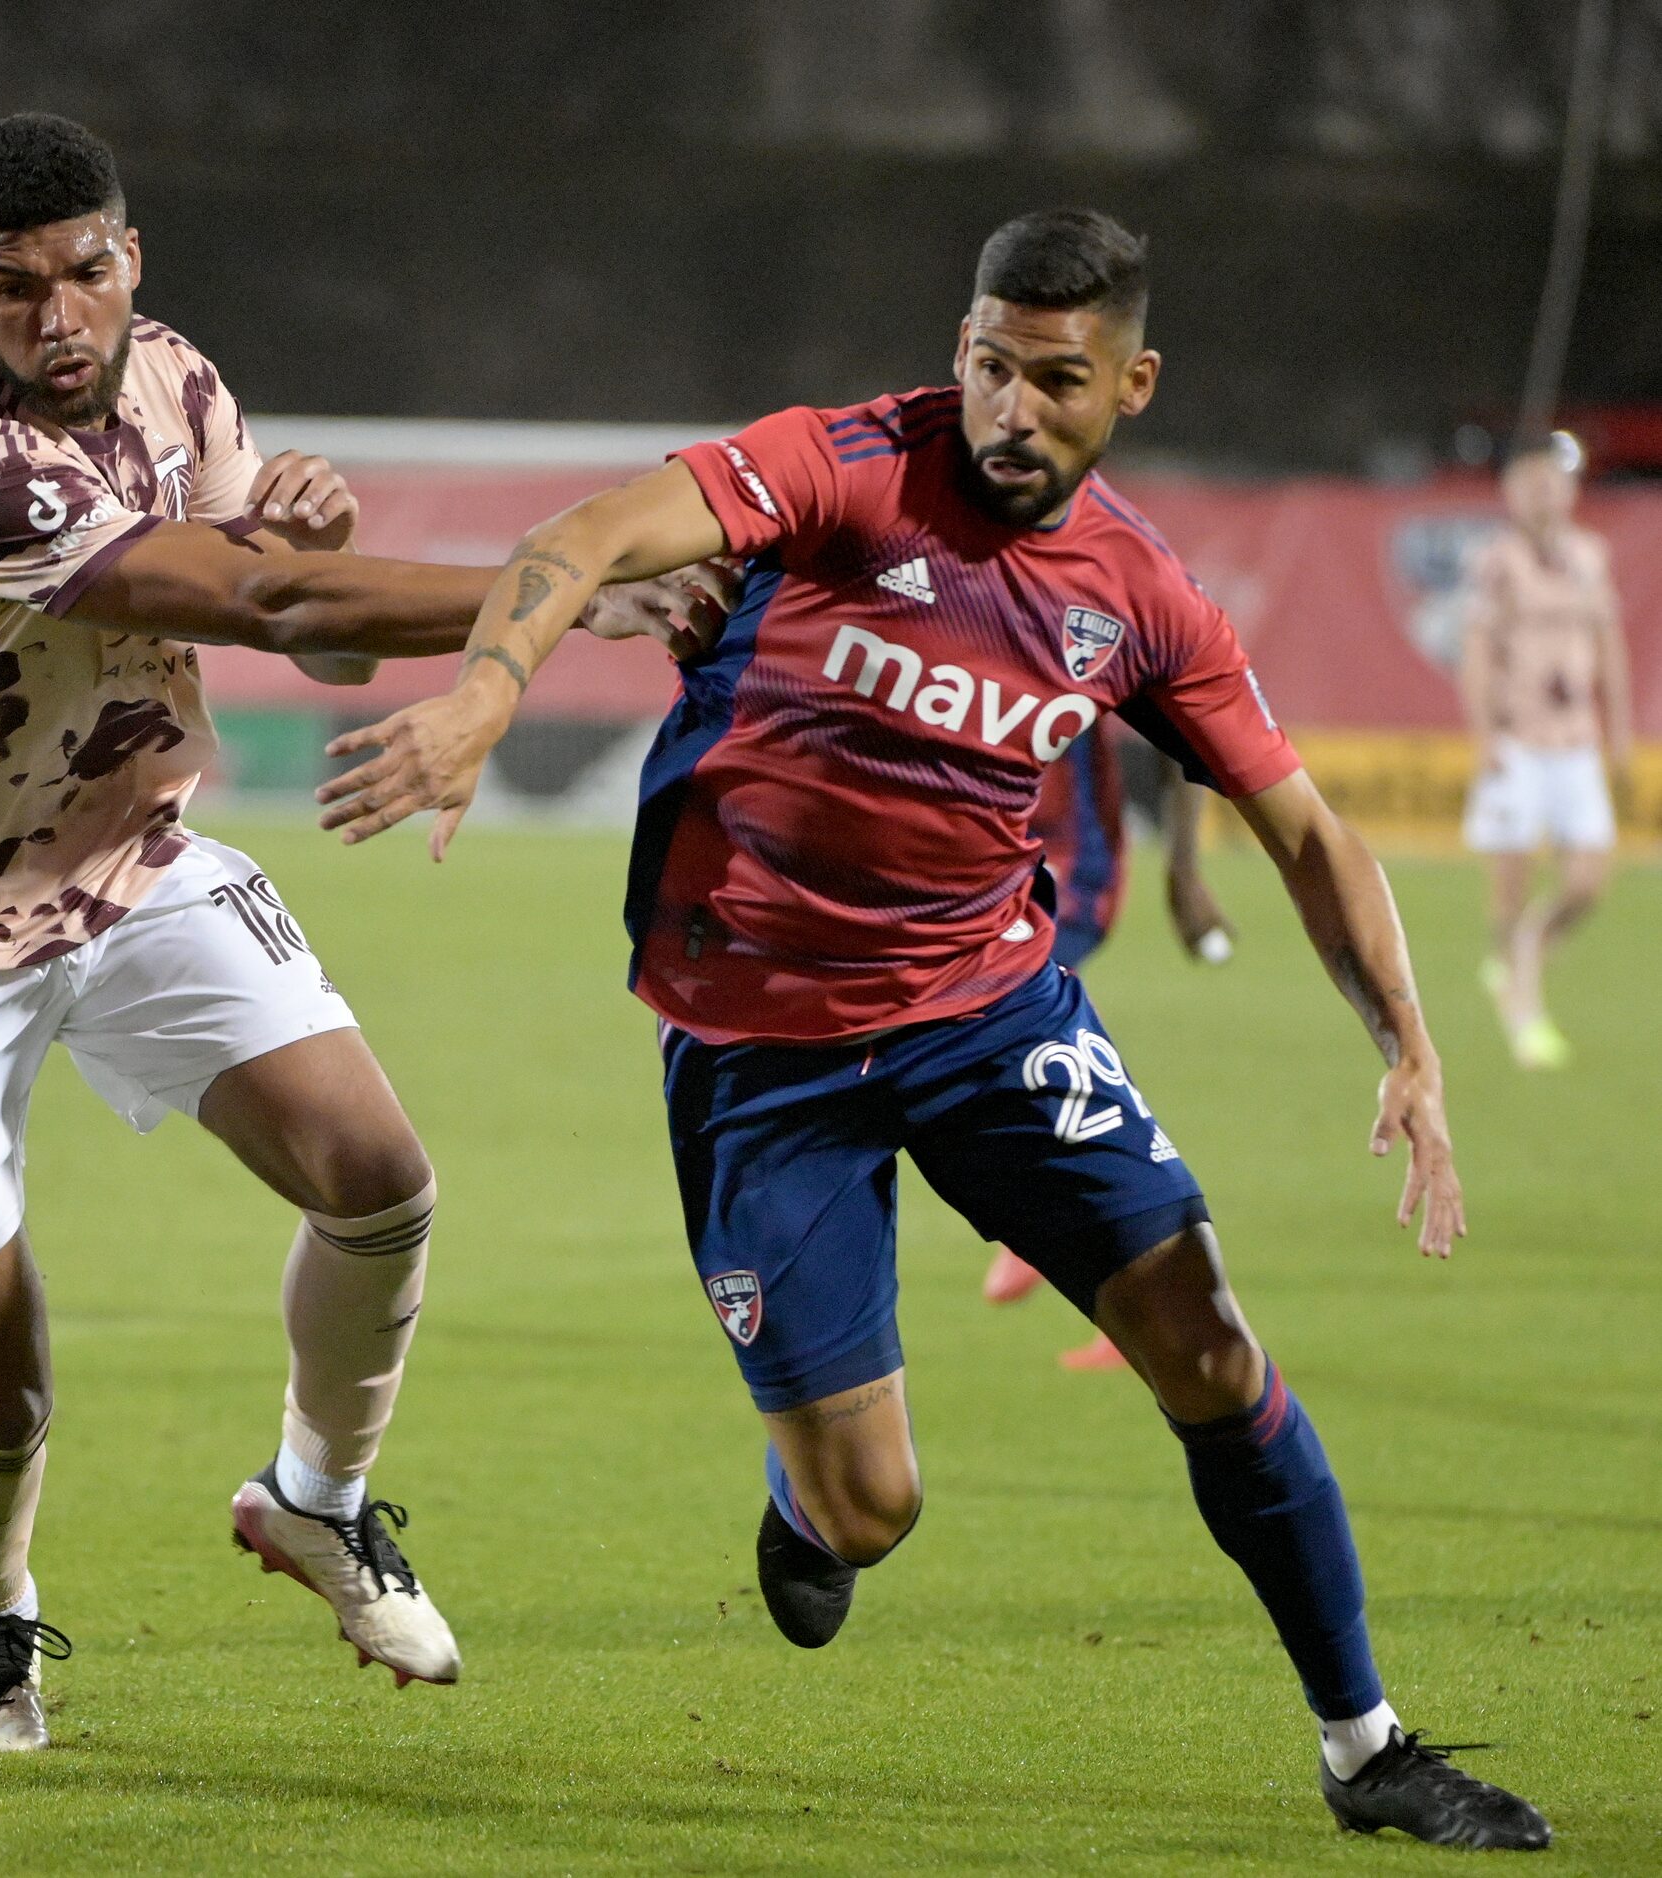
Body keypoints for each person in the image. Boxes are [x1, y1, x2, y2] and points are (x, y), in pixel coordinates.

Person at [317, 210, 1549, 1850]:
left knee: (1208, 1336)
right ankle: (808, 1500)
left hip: (990, 1012)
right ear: (957, 347)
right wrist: (486, 688)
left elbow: (1306, 827)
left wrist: (1410, 1039)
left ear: (1130, 384)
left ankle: (1365, 1742)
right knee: (871, 1510)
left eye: (1055, 379)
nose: (1009, 407)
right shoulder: (839, 469)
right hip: (760, 1049)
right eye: (988, 363)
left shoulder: (1138, 595)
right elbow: (599, 529)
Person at [0, 113, 717, 1753]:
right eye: (11, 288)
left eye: (85, 272)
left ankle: (316, 1497)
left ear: (132, 259)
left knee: (381, 1180)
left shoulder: (179, 384)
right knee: (1, 1376)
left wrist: (306, 540)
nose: (55, 315)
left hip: (122, 853)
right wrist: (563, 589)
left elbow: (305, 631)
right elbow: (273, 609)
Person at [981, 737, 1233, 1370]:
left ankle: (1055, 1217)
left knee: (1011, 1021)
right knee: (1019, 1043)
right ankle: (1124, 1270)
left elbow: (1180, 732)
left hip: (1070, 857)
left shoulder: (1092, 638)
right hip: (986, 851)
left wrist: (1183, 870)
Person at [1456, 433, 1631, 1070]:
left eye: (1555, 484)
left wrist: (1620, 733)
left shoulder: (1591, 556)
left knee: (1588, 881)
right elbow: (1475, 654)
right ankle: (1523, 1010)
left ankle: (1522, 958)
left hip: (1576, 743)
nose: (1546, 495)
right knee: (1511, 881)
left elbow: (1609, 649)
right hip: (1518, 744)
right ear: (1512, 493)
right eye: (1533, 484)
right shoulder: (1497, 562)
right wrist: (1483, 739)